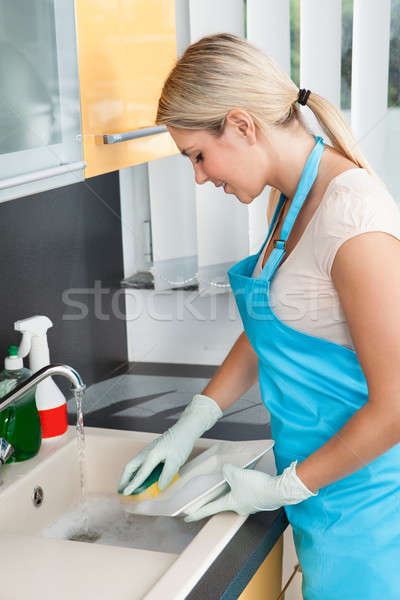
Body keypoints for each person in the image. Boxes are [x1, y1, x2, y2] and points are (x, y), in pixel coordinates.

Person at [118, 33, 400, 598]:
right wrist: (192, 420)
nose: (199, 176)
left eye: (197, 155)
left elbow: (395, 406)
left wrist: (284, 487)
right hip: (322, 500)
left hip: (371, 517)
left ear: (243, 126)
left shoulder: (355, 224)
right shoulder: (290, 198)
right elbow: (272, 324)